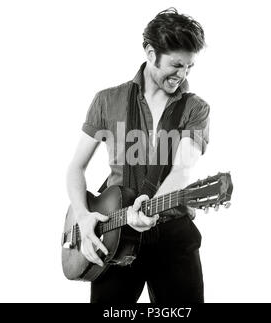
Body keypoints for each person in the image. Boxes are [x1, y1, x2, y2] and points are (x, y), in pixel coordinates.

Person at [66, 8, 210, 303]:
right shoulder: (107, 101)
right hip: (114, 236)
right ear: (150, 52)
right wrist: (82, 216)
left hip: (173, 235)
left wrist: (153, 207)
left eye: (189, 67)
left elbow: (182, 169)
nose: (181, 75)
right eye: (176, 65)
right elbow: (75, 168)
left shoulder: (196, 108)